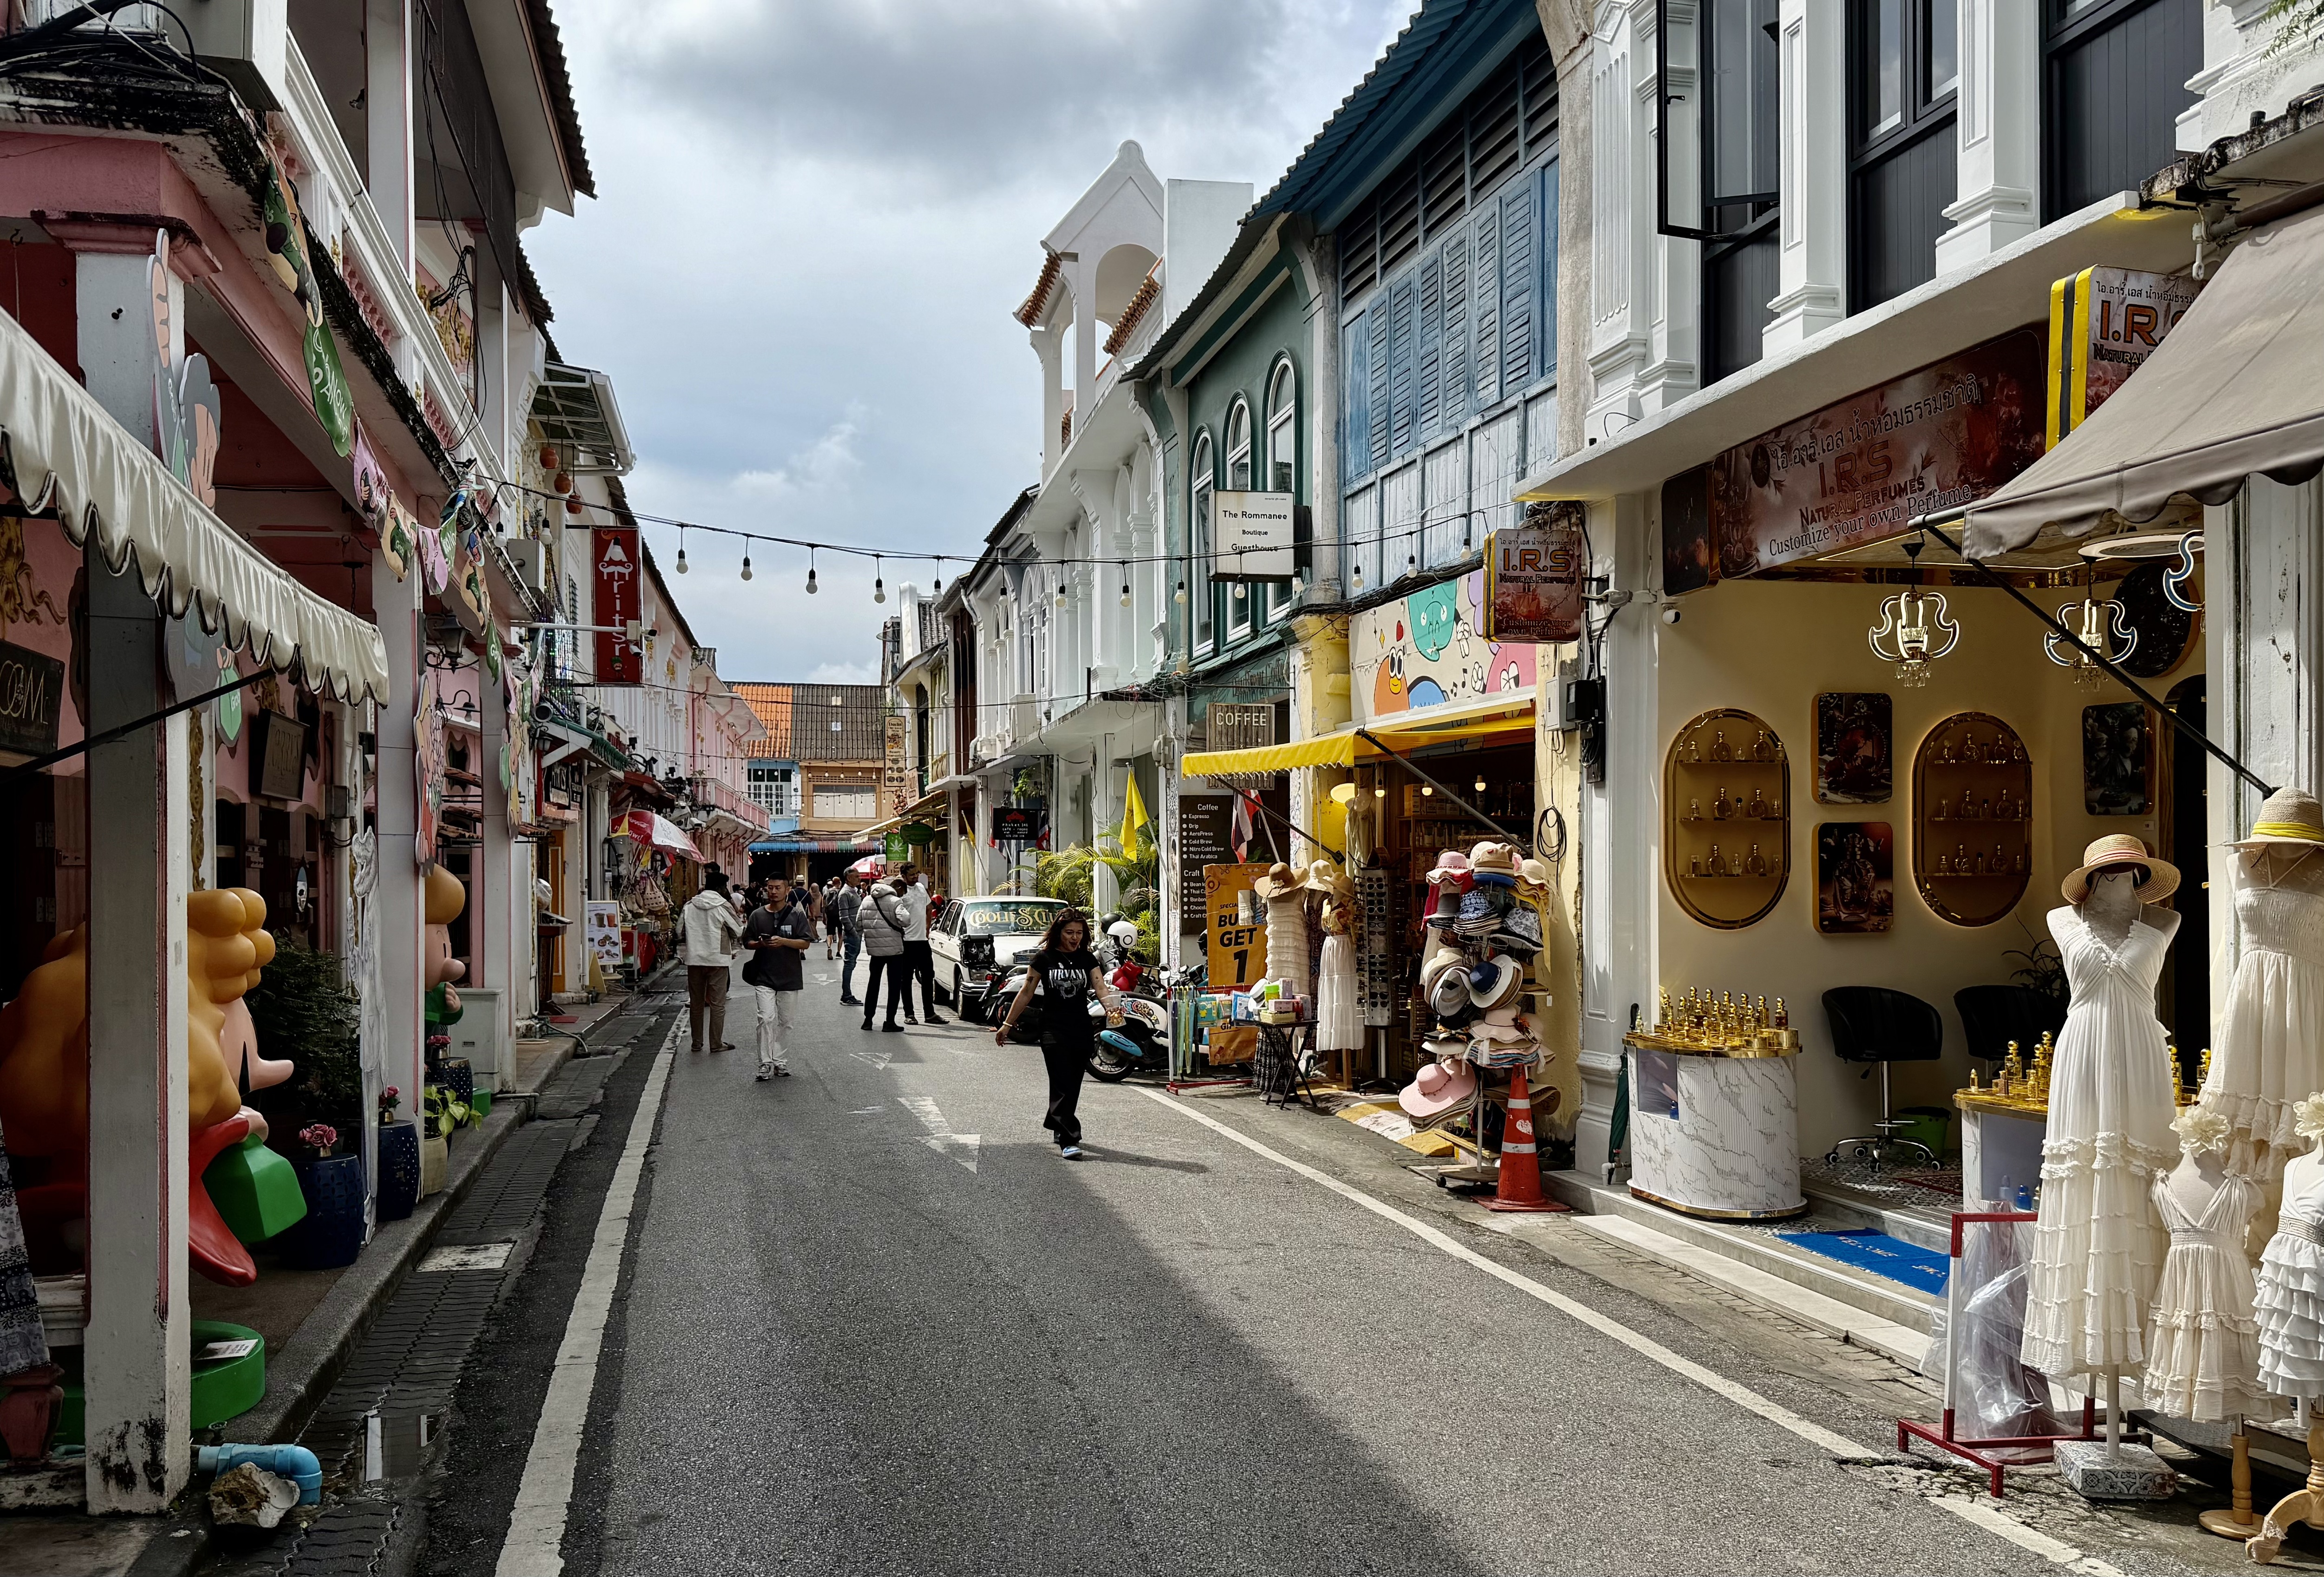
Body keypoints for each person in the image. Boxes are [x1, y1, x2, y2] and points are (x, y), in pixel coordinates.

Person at [994, 908, 1122, 1159]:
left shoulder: (1088, 959)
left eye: (1079, 933)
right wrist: (1007, 1024)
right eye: (1069, 932)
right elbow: (1027, 992)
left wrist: (1112, 1009)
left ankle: (1056, 1121)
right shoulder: (1044, 958)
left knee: (1073, 1082)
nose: (1074, 938)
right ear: (1058, 933)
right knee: (1062, 1078)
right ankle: (1069, 1138)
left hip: (1081, 1027)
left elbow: (1100, 987)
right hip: (1053, 1027)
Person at [741, 877, 813, 1081]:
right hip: (764, 976)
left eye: (778, 888)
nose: (773, 892)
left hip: (790, 977)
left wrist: (784, 941)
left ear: (788, 890)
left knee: (786, 1022)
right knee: (765, 1019)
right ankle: (765, 1063)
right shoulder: (757, 915)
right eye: (770, 888)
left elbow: (805, 943)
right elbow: (747, 942)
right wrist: (760, 945)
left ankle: (780, 1061)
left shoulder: (797, 915)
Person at [680, 871, 744, 1055]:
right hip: (718, 960)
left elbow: (679, 931)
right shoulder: (723, 906)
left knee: (697, 1003)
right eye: (725, 887)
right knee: (718, 1004)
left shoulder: (689, 905)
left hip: (694, 960)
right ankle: (716, 1044)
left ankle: (696, 1043)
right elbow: (739, 931)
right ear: (719, 888)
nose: (726, 890)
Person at [856, 874, 909, 1032]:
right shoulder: (895, 901)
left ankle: (868, 1020)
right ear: (897, 888)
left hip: (875, 951)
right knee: (894, 986)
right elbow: (906, 920)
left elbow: (858, 923)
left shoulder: (866, 900)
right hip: (894, 951)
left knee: (873, 984)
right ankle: (889, 1022)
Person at [896, 863, 944, 1027]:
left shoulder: (921, 888)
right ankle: (909, 1014)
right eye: (912, 875)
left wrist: (927, 929)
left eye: (917, 874)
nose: (915, 877)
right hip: (907, 942)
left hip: (923, 941)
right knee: (906, 979)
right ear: (904, 877)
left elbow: (929, 907)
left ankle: (929, 1013)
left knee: (928, 977)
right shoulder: (900, 892)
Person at [834, 871, 865, 1003]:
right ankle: (846, 995)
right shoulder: (845, 893)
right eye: (857, 877)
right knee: (849, 964)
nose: (860, 878)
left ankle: (847, 994)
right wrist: (854, 933)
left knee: (851, 963)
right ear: (849, 878)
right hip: (853, 935)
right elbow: (844, 917)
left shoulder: (853, 891)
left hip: (857, 933)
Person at [824, 877, 844, 960]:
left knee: (830, 934)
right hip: (839, 915)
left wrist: (825, 916)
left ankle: (829, 947)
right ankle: (839, 952)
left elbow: (824, 904)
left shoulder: (828, 891)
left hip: (830, 915)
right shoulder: (841, 892)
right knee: (841, 935)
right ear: (839, 883)